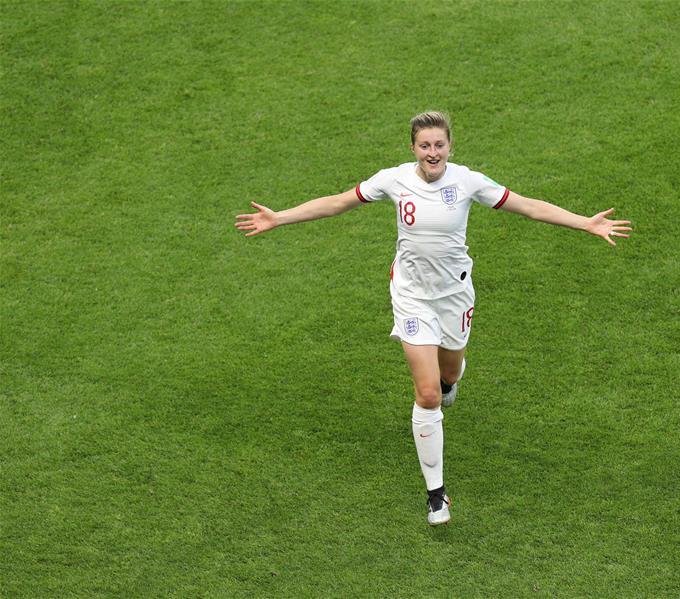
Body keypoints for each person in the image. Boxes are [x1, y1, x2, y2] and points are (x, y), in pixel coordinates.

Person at [234, 111, 631, 526]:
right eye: (424, 145)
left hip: (454, 297)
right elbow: (337, 203)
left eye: (439, 145)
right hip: (412, 298)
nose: (432, 153)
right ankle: (437, 494)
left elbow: (528, 207)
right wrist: (279, 217)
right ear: (413, 148)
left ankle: (450, 381)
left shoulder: (468, 182)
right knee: (427, 395)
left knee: (449, 374)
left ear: (450, 147)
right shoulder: (392, 179)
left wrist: (585, 223)